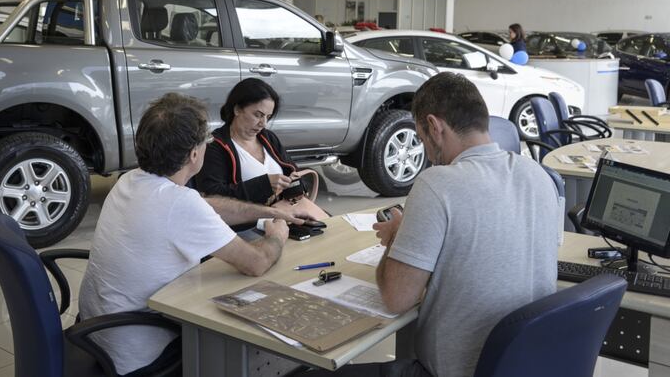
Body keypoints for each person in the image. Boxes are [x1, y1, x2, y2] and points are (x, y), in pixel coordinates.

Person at [299, 72, 560, 377]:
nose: (426, 152)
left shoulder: (438, 184)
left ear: (435, 127)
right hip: (527, 364)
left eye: (422, 139)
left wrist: (398, 236)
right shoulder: (540, 176)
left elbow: (397, 299)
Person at [79, 93, 295, 377]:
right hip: (142, 351)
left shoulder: (130, 180)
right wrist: (278, 234)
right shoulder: (180, 204)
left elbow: (205, 206)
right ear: (194, 155)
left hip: (97, 334)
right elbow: (255, 262)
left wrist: (266, 212)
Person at [196, 78, 328, 227]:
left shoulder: (268, 138)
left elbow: (293, 172)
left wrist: (295, 183)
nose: (263, 123)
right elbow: (213, 197)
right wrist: (264, 185)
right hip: (247, 226)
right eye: (258, 115)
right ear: (237, 109)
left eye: (268, 117)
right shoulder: (215, 146)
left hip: (284, 214)